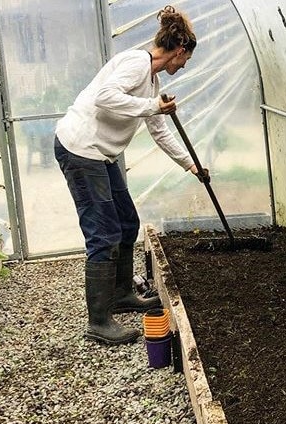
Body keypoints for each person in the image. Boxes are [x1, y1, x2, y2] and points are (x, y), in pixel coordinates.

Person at [54, 5, 208, 345]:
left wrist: (191, 165)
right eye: (185, 60)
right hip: (81, 150)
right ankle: (98, 321)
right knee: (103, 234)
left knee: (126, 222)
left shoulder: (151, 81)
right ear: (179, 50)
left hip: (101, 154)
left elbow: (159, 129)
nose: (182, 67)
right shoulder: (135, 64)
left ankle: (122, 295)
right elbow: (105, 98)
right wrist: (153, 106)